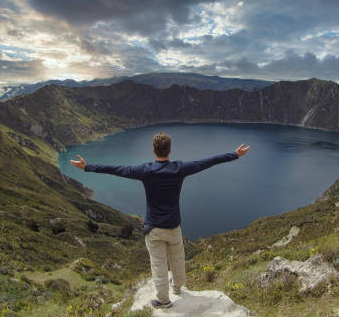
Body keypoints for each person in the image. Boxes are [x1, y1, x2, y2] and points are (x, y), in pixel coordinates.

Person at [70, 132, 250, 309]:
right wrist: (234, 154)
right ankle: (178, 288)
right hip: (173, 227)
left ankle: (163, 301)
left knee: (158, 265)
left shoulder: (145, 170)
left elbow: (116, 169)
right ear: (169, 150)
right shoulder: (179, 168)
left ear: (154, 150)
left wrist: (87, 166)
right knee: (178, 259)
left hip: (154, 229)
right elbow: (207, 161)